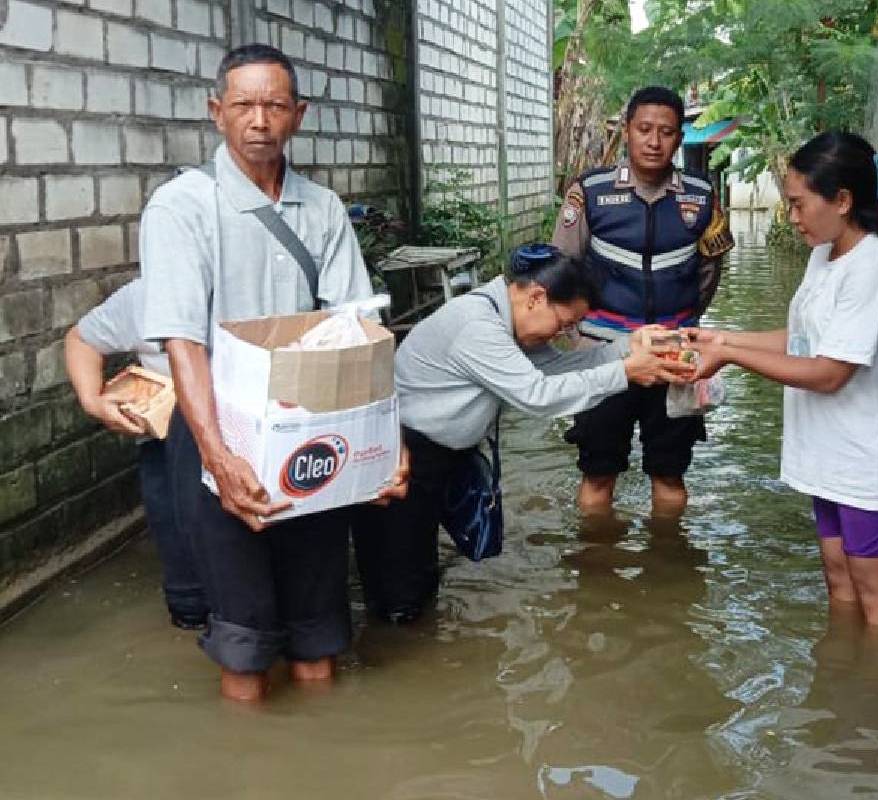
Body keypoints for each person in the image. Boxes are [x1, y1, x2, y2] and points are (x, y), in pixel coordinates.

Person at [139, 44, 407, 701]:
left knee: (319, 639)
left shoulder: (322, 210)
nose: (259, 119)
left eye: (275, 105)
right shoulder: (182, 208)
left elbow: (355, 336)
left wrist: (381, 450)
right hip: (215, 434)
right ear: (216, 113)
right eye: (243, 105)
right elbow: (183, 344)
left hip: (309, 434)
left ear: (299, 114)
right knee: (245, 646)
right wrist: (220, 458)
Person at [351, 244, 693, 623]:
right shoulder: (478, 326)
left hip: (436, 456)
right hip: (403, 457)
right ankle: (391, 658)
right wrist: (626, 371)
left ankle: (419, 648)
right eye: (564, 324)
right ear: (536, 297)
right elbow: (538, 394)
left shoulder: (505, 320)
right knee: (399, 585)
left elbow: (558, 369)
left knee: (420, 572)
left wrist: (626, 347)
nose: (565, 334)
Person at [687, 132, 878, 629]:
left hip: (870, 461)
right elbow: (804, 339)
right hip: (831, 456)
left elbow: (828, 373)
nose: (793, 217)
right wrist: (719, 338)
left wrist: (730, 355)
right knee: (839, 579)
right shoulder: (825, 256)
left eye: (799, 204)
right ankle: (840, 689)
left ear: (843, 200)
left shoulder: (876, 267)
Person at [552, 85, 732, 517]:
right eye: (645, 129)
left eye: (666, 131)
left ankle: (669, 570)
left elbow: (709, 273)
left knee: (670, 474)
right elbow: (562, 268)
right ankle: (596, 574)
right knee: (597, 473)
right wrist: (577, 340)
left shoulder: (701, 197)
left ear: (679, 136)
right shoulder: (590, 193)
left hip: (674, 357)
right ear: (627, 130)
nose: (654, 141)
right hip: (602, 356)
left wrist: (683, 327)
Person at [63, 278, 209, 630]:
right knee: (190, 600)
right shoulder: (148, 294)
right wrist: (93, 401)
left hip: (248, 436)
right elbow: (81, 340)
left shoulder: (265, 284)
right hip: (168, 439)